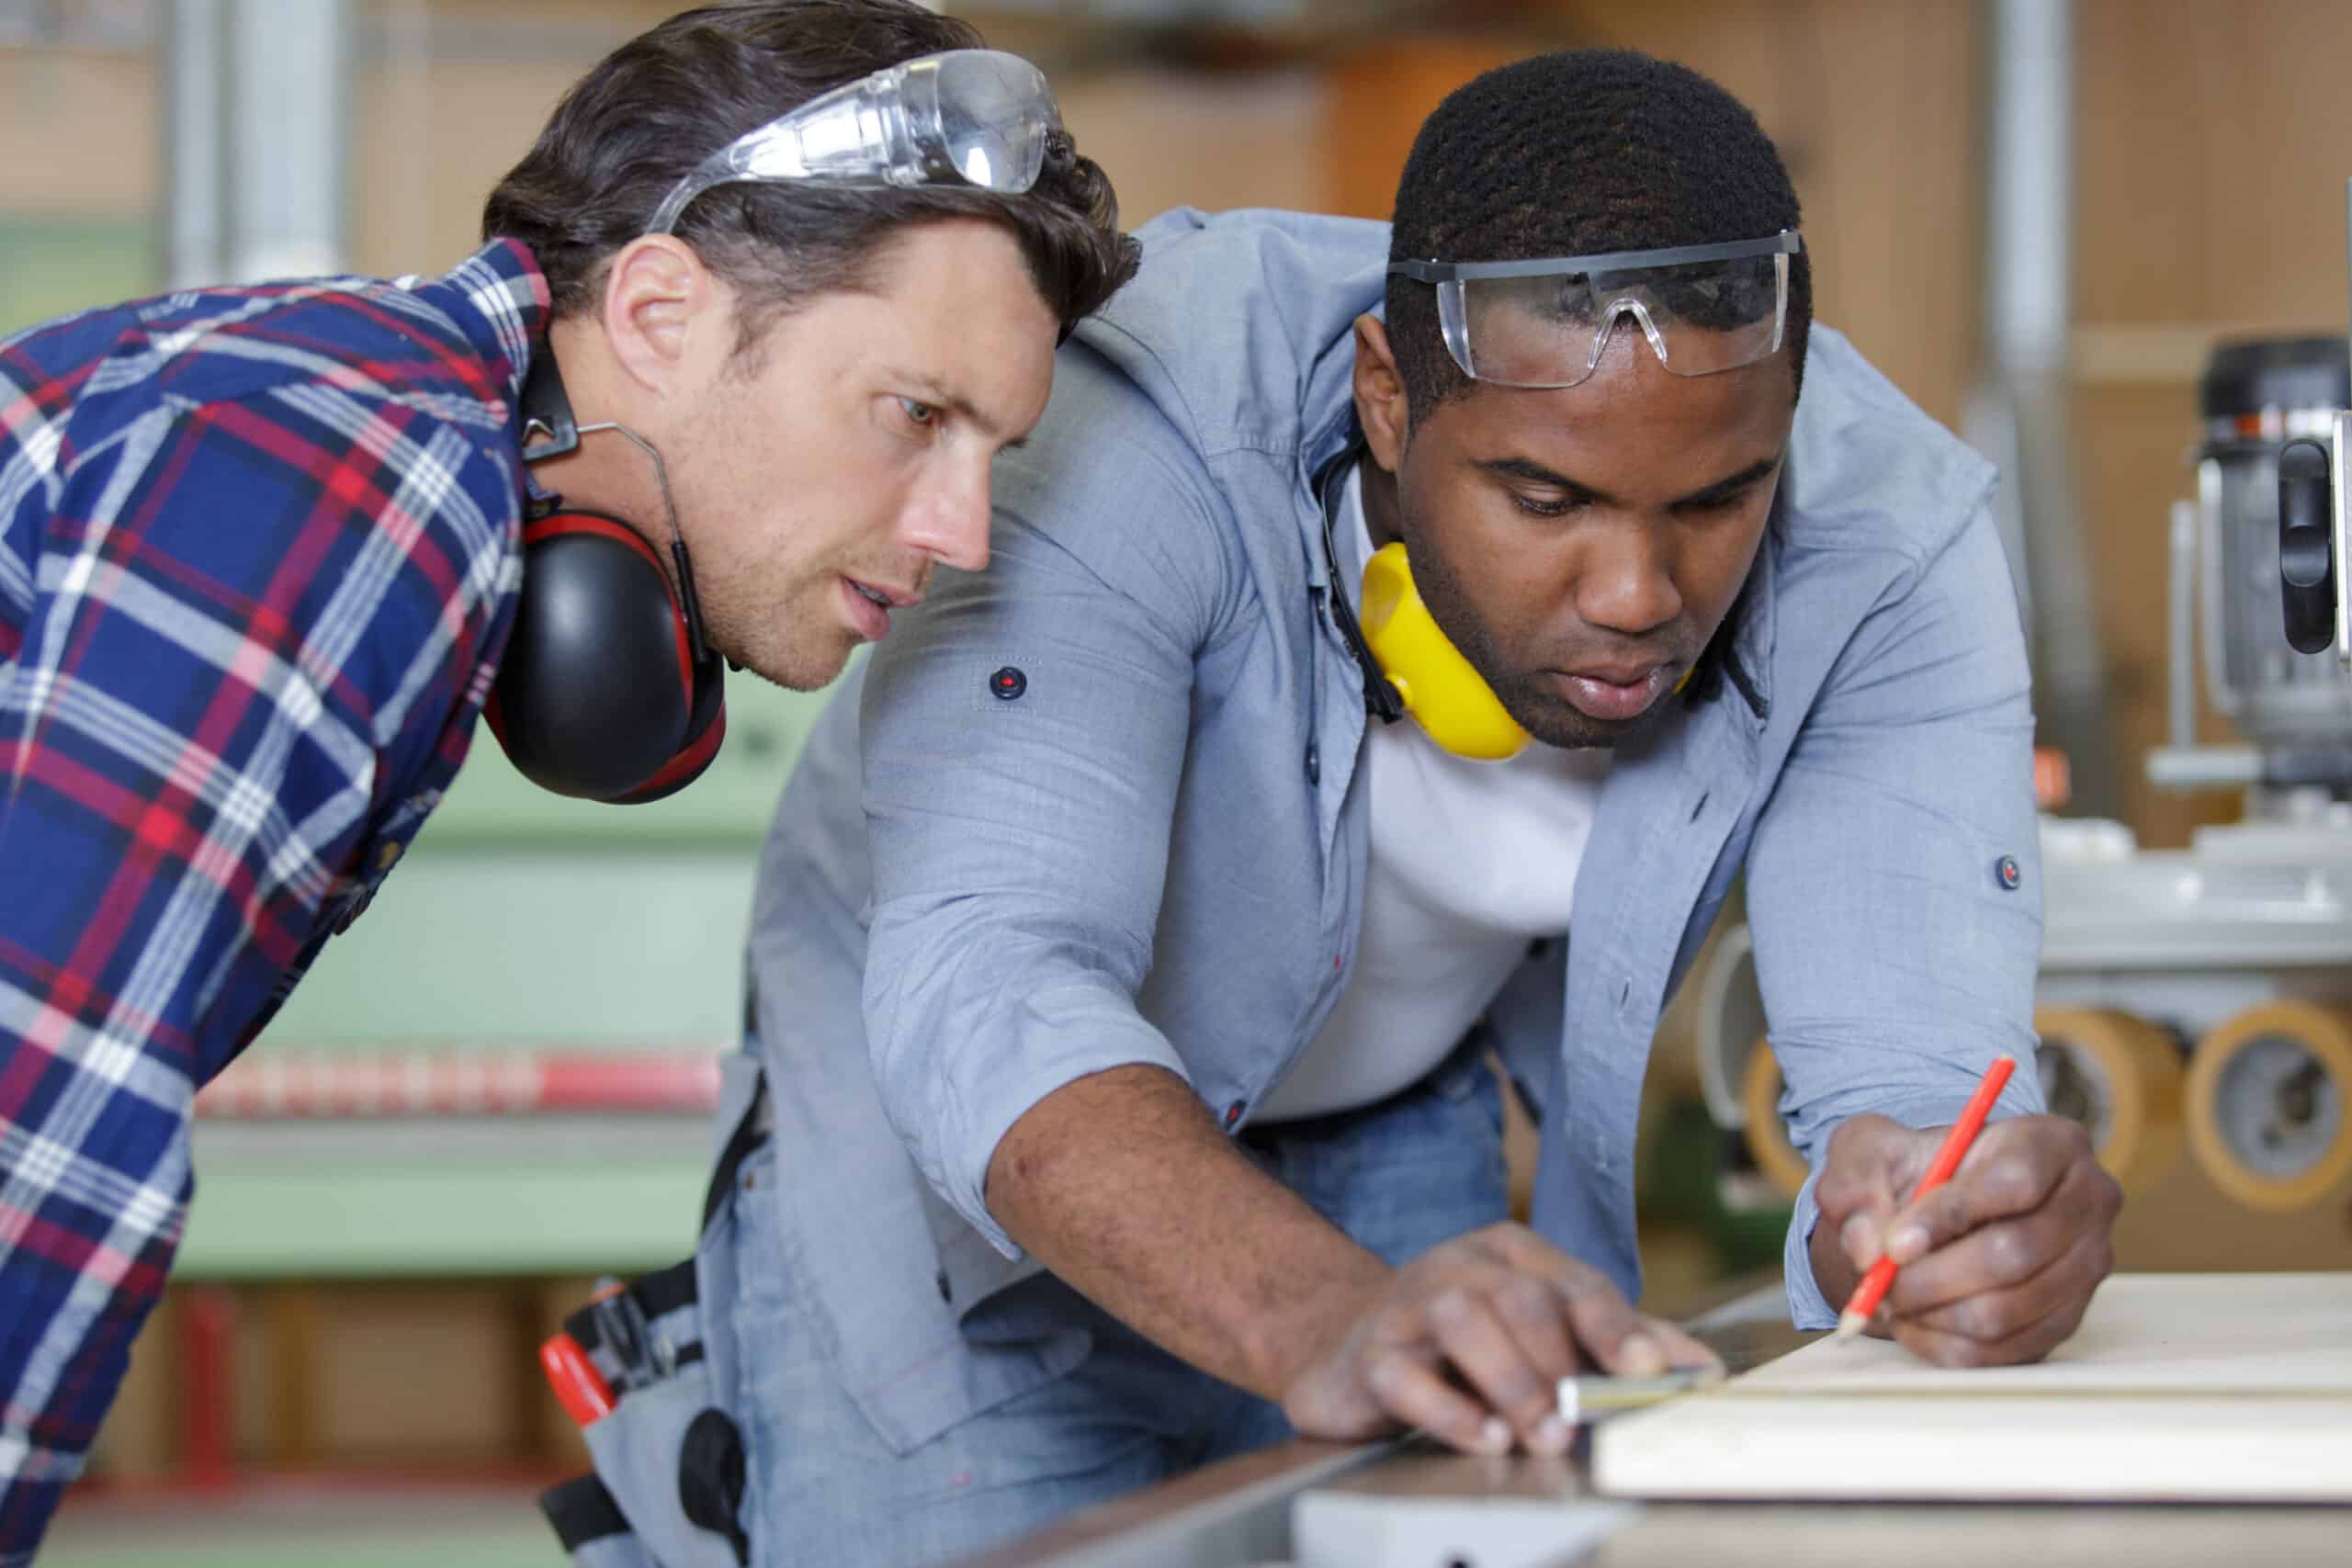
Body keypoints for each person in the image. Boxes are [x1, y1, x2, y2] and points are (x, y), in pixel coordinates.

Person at [701, 45, 2122, 1567]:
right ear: (1386, 397)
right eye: (1546, 499)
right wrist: (1330, 1311)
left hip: (1389, 1115)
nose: (1641, 596)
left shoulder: (1884, 543)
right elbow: (995, 984)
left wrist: (1934, 1230)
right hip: (955, 1163)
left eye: (1716, 503)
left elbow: (1906, 1091)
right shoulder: (1124, 425)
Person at [0, 1, 1135, 1557]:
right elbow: (32, 1134)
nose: (960, 533)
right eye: (914, 415)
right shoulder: (358, 478)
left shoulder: (338, 416)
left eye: (988, 453)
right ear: (662, 315)